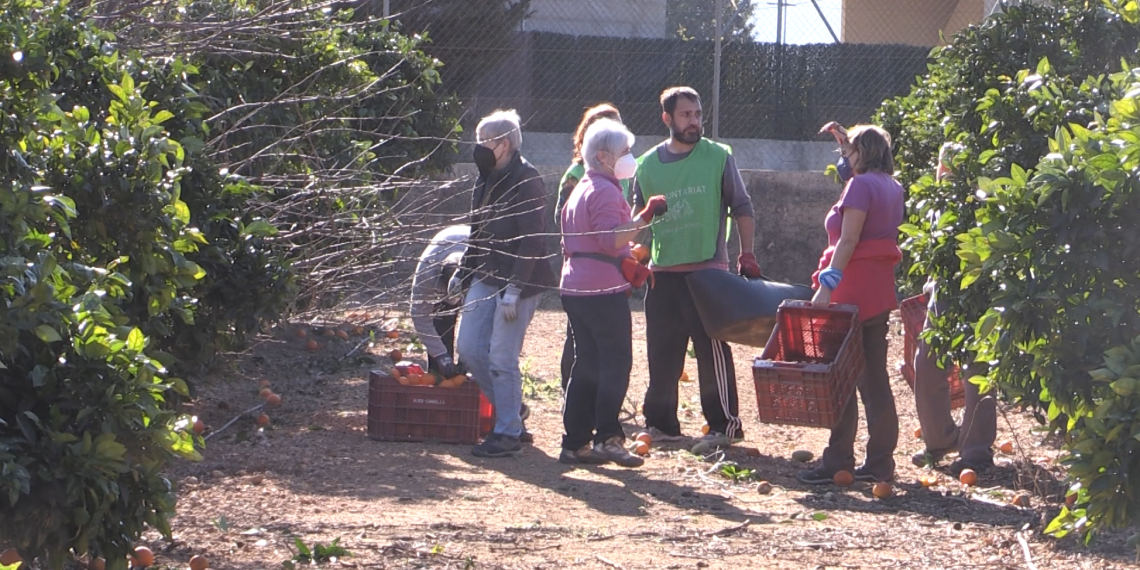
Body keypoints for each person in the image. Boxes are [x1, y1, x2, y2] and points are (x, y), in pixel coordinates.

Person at [631, 86, 762, 455]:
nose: (694, 121)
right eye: (686, 115)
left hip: (708, 273)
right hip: (662, 272)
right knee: (661, 352)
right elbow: (636, 223)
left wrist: (746, 253)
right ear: (667, 118)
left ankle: (724, 426)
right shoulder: (645, 166)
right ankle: (661, 424)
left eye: (698, 114)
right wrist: (631, 259)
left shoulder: (718, 157)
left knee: (712, 351)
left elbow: (742, 206)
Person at [797, 124, 905, 485]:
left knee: (839, 377)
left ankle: (837, 459)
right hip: (878, 291)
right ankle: (880, 463)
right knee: (875, 379)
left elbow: (848, 240)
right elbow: (854, 172)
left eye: (849, 152)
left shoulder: (859, 186)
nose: (844, 158)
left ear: (863, 153)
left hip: (850, 290)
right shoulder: (892, 186)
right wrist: (849, 142)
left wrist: (828, 284)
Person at [558, 118, 664, 467]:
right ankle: (607, 437)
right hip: (602, 291)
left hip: (575, 287)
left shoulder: (582, 188)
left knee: (586, 363)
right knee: (615, 364)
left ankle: (575, 442)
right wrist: (646, 216)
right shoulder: (605, 190)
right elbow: (610, 237)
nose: (629, 159)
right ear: (604, 156)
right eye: (624, 152)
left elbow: (600, 237)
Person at [456, 109, 557, 458]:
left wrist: (513, 289)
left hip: (519, 281)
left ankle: (508, 431)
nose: (480, 147)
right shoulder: (485, 176)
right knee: (469, 348)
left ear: (506, 143)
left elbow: (531, 240)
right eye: (478, 140)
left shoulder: (528, 179)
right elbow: (476, 230)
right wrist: (464, 270)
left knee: (502, 356)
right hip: (486, 274)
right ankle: (511, 411)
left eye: (487, 141)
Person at [911, 142, 997, 476]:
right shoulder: (936, 204)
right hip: (945, 291)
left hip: (978, 288)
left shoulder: (981, 201)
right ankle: (939, 440)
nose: (943, 172)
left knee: (979, 366)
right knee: (928, 361)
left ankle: (975, 450)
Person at [555, 103, 630, 391]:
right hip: (590, 275)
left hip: (602, 273)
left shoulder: (617, 173)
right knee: (582, 346)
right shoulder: (579, 175)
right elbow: (568, 222)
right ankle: (577, 398)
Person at [410, 225, 469, 378]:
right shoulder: (427, 270)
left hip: (472, 264)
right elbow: (420, 314)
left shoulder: (481, 262)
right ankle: (440, 375)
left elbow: (480, 317)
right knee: (441, 318)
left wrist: (468, 356)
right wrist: (440, 354)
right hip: (443, 244)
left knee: (475, 349)